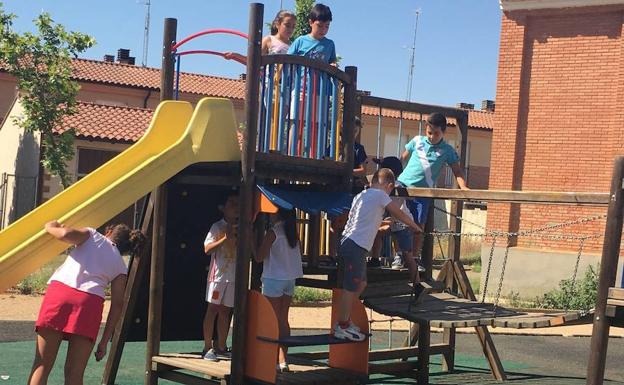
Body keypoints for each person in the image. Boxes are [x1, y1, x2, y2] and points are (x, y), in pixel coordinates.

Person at [28, 221, 145, 385]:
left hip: (60, 293)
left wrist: (50, 226)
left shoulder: (93, 235)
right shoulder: (120, 265)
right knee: (74, 373)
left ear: (109, 231)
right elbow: (118, 303)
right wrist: (104, 341)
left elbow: (65, 235)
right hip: (89, 303)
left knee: (42, 365)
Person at [334, 168, 422, 341]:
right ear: (389, 185)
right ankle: (341, 325)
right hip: (355, 245)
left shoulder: (362, 195)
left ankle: (345, 319)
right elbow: (399, 212)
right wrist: (415, 226)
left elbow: (363, 219)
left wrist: (382, 222)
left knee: (361, 283)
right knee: (350, 287)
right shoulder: (381, 195)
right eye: (390, 190)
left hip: (350, 243)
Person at [397, 112, 469, 269]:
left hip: (424, 191)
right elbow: (402, 158)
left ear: (444, 132)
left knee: (418, 225)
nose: (432, 136)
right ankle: (400, 254)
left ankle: (414, 257)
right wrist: (392, 173)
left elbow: (457, 171)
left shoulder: (447, 150)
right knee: (400, 221)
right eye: (429, 133)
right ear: (426, 130)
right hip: (403, 185)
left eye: (436, 133)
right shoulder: (417, 141)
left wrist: (463, 186)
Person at [255, 208, 303, 372]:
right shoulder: (292, 233)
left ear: (278, 213)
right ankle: (282, 360)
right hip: (290, 278)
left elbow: (259, 257)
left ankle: (271, 358)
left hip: (274, 278)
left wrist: (251, 243)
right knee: (283, 319)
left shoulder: (273, 232)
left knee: (271, 319)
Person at [202, 193, 239, 361]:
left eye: (237, 204)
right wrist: (226, 238)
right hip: (217, 277)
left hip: (233, 277)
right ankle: (207, 347)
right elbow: (207, 249)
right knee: (213, 310)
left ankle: (222, 346)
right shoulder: (216, 227)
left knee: (226, 311)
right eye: (231, 203)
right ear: (224, 209)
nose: (235, 206)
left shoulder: (242, 227)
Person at [225, 10, 296, 63]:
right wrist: (235, 55)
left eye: (293, 26)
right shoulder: (269, 40)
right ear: (277, 24)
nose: (291, 29)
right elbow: (253, 60)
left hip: (288, 82)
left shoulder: (293, 45)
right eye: (287, 25)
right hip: (270, 81)